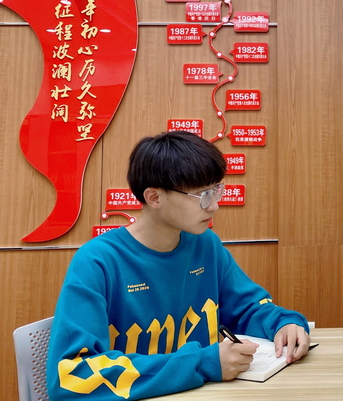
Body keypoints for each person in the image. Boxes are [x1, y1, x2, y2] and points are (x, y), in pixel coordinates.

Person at [47, 131, 311, 400]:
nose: (214, 206)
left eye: (216, 190)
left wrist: (284, 323)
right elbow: (72, 376)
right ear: (154, 197)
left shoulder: (205, 245)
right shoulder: (98, 261)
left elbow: (247, 309)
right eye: (202, 195)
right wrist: (202, 364)